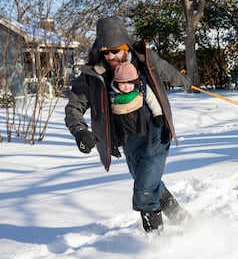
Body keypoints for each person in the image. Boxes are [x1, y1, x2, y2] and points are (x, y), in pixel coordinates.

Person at [65, 16, 192, 234]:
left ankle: (158, 243)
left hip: (156, 134)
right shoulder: (93, 75)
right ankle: (183, 220)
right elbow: (73, 108)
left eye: (115, 50)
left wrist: (187, 84)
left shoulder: (145, 59)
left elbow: (168, 71)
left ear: (125, 46)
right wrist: (80, 131)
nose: (111, 56)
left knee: (144, 191)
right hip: (128, 141)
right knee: (151, 185)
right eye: (106, 52)